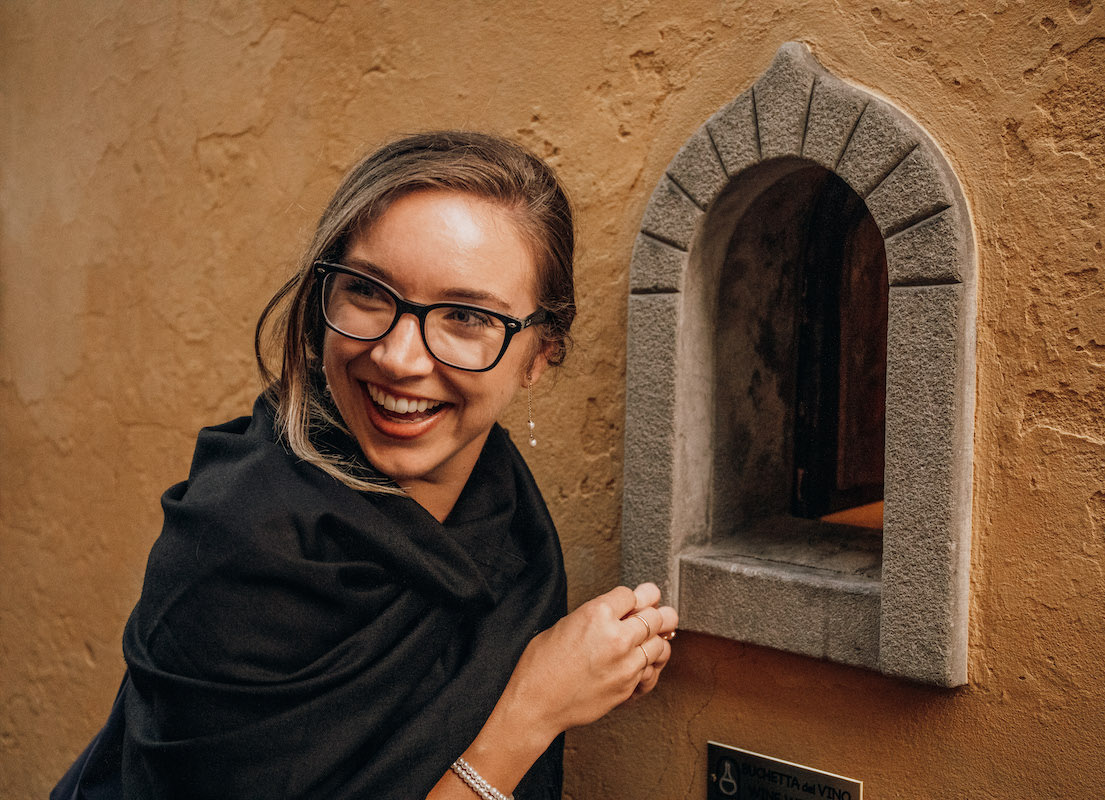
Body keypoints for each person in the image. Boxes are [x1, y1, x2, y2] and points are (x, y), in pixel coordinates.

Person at [52, 131, 677, 800]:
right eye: (368, 293)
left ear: (539, 356)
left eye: (465, 315)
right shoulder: (238, 542)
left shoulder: (505, 520)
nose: (399, 358)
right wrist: (534, 711)